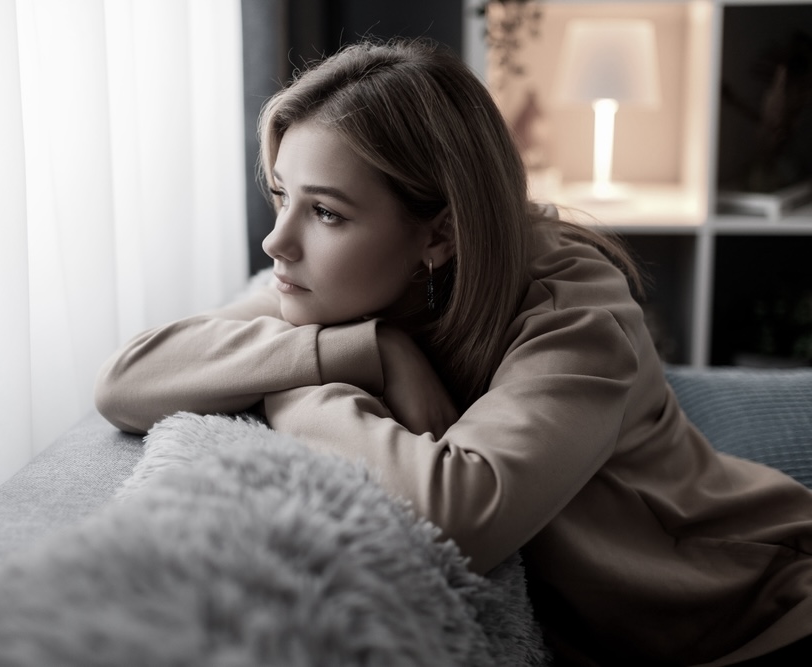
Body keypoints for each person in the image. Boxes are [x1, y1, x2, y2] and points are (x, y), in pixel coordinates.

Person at [94, 39, 812, 666]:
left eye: (324, 211)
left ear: (438, 235)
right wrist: (365, 350)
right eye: (281, 195)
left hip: (762, 615)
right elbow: (128, 380)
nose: (275, 242)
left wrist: (295, 376)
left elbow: (458, 514)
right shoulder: (352, 290)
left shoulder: (578, 316)